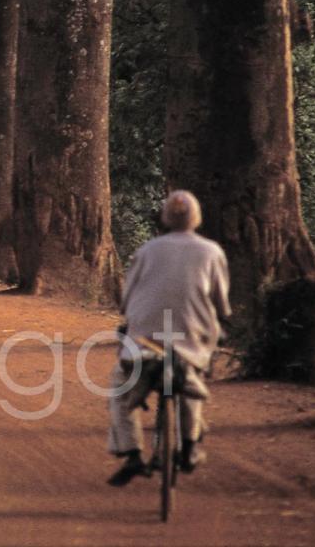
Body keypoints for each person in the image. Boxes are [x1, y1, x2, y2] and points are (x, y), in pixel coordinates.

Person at [106, 190, 231, 487]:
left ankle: (132, 453)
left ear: (164, 218)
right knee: (190, 376)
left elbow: (126, 299)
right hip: (192, 340)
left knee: (119, 389)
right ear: (197, 218)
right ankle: (189, 447)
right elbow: (221, 303)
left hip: (145, 342)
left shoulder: (148, 250)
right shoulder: (212, 252)